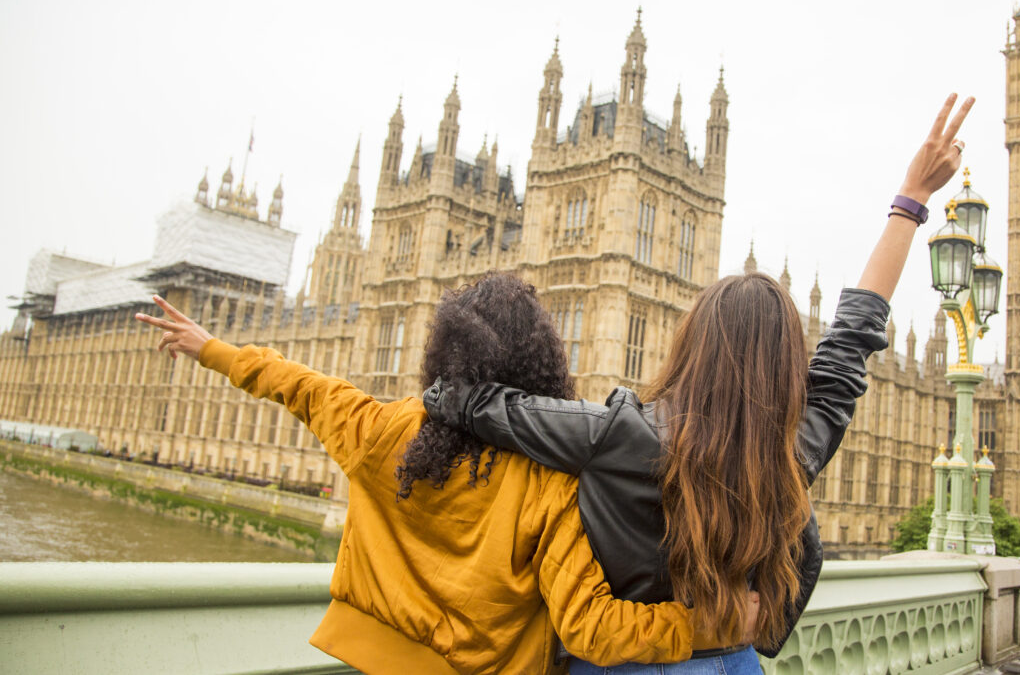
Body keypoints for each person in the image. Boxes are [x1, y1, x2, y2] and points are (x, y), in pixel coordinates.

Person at [424, 93, 976, 671]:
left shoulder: (620, 434)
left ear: (693, 341)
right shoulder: (789, 451)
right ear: (787, 367)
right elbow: (851, 341)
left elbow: (482, 406)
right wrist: (910, 202)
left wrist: (443, 389)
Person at [136, 273, 753, 674]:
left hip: (367, 659)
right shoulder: (551, 481)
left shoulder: (383, 430)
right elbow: (592, 628)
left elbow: (301, 386)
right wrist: (708, 620)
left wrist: (209, 348)